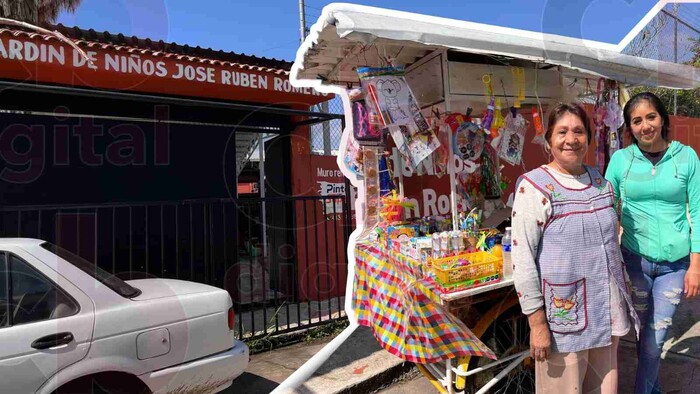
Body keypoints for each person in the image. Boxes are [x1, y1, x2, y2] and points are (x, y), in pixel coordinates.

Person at [511, 103, 639, 393]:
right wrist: (537, 324)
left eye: (579, 131)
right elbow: (523, 259)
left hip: (607, 313)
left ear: (588, 139)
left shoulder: (600, 182)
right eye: (562, 131)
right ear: (548, 141)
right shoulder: (534, 187)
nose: (571, 139)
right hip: (564, 320)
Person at [604, 91, 699, 394]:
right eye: (636, 121)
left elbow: (697, 212)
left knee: (655, 337)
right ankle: (652, 388)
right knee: (643, 336)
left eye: (650, 117)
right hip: (634, 260)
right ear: (629, 127)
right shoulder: (621, 160)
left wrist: (696, 265)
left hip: (675, 265)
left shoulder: (686, 157)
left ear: (662, 118)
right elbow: (606, 205)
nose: (645, 126)